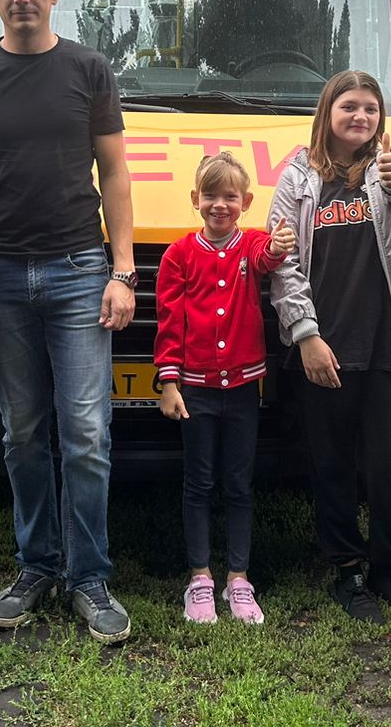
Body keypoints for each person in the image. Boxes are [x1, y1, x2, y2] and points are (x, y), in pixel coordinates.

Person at [0, 0, 137, 645]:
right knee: (21, 434)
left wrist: (121, 270)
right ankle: (37, 565)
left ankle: (89, 577)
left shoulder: (88, 68)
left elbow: (115, 173)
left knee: (86, 433)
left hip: (79, 270)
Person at [268, 71, 391, 624]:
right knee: (332, 464)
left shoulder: (389, 167)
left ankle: (387, 566)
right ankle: (348, 572)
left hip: (390, 339)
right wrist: (306, 336)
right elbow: (283, 263)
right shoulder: (296, 177)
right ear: (328, 112)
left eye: (371, 109)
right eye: (349, 106)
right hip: (325, 344)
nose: (361, 116)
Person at [154, 152, 297, 626]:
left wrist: (279, 243)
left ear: (246, 202)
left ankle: (239, 577)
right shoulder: (178, 255)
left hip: (241, 389)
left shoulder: (250, 243)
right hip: (195, 389)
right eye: (210, 196)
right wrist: (169, 380)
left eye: (230, 197)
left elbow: (267, 256)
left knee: (238, 483)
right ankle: (200, 576)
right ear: (195, 199)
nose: (220, 205)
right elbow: (170, 321)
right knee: (198, 483)